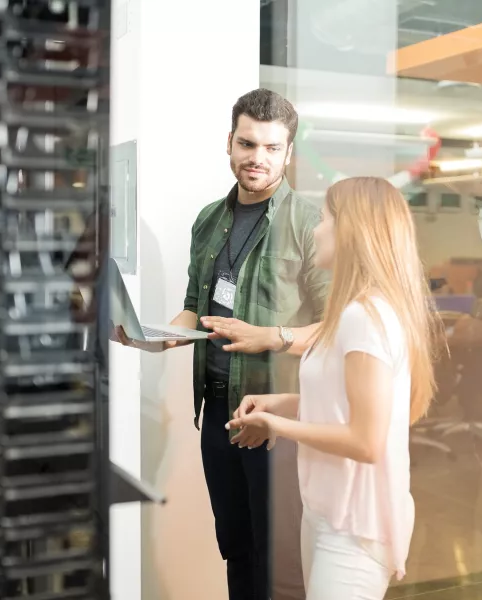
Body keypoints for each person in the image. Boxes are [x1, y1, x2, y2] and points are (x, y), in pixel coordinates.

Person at [114, 88, 328, 600]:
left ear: (288, 153)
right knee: (236, 547)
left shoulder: (309, 223)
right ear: (229, 142)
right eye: (248, 143)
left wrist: (273, 337)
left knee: (281, 561)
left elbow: (336, 323)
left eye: (272, 148)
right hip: (218, 411)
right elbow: (196, 306)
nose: (258, 158)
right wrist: (155, 339)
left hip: (277, 417)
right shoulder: (209, 219)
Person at [225, 176, 440, 600]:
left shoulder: (366, 317)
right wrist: (282, 405)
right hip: (326, 511)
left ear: (351, 231)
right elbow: (344, 405)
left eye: (324, 219)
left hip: (355, 527)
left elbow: (365, 440)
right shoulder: (352, 313)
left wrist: (277, 426)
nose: (315, 229)